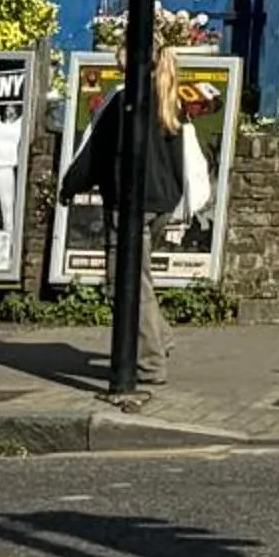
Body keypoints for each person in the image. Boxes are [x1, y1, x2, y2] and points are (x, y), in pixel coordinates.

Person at [57, 43, 187, 395]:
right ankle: (160, 338)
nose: (117, 59)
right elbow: (179, 160)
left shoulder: (124, 102)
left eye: (122, 53)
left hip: (129, 205)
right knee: (140, 280)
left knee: (126, 285)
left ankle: (149, 363)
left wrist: (69, 187)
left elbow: (97, 155)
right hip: (161, 203)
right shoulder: (168, 99)